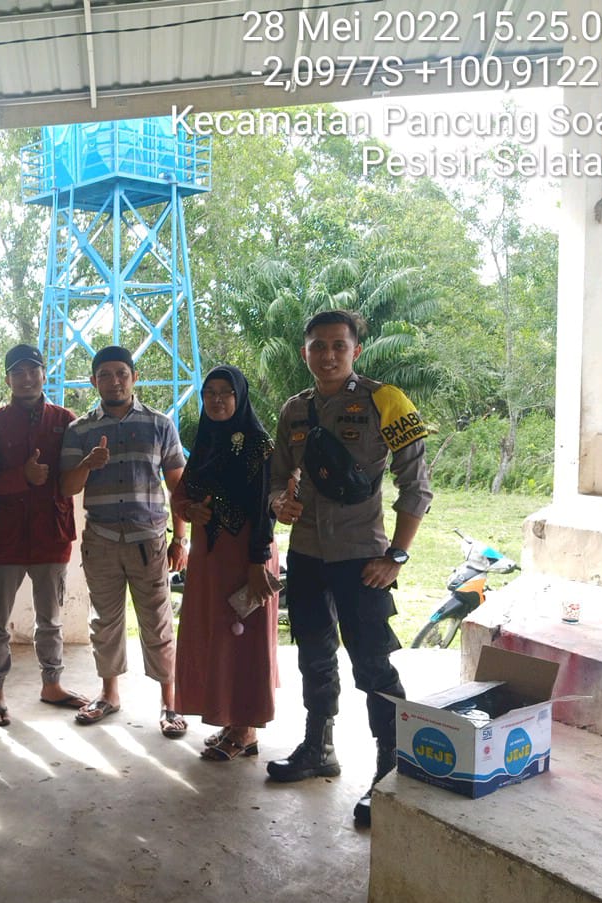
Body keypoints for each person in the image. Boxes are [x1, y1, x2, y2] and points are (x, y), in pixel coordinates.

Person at [266, 309, 433, 827]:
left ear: (355, 350)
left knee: (373, 663)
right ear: (305, 353)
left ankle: (391, 768)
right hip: (308, 554)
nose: (329, 355)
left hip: (364, 557)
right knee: (314, 655)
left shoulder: (386, 399)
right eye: (319, 346)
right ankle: (319, 749)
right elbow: (276, 478)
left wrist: (396, 555)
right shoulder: (294, 411)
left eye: (339, 345)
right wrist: (279, 503)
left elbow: (417, 486)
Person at [60, 345, 189, 737]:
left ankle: (170, 703)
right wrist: (86, 465)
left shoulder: (159, 424)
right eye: (104, 374)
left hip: (148, 540)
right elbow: (66, 486)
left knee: (158, 622)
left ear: (133, 377)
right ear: (93, 380)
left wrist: (180, 539)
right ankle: (109, 694)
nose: (113, 381)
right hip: (100, 538)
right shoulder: (79, 429)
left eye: (121, 373)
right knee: (105, 622)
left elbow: (178, 486)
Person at [171, 365, 280, 761]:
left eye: (226, 393)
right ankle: (231, 721)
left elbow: (266, 508)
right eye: (210, 392)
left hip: (247, 556)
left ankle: (246, 728)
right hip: (211, 558)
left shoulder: (259, 445)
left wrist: (257, 562)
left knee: (243, 638)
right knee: (218, 636)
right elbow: (183, 492)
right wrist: (188, 511)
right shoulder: (206, 440)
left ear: (240, 397)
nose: (217, 400)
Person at [0, 344, 88, 726]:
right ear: (8, 378)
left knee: (50, 620)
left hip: (51, 536)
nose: (27, 378)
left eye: (33, 370)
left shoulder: (66, 420)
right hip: (6, 539)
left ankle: (52, 684)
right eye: (18, 372)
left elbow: (74, 474)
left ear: (44, 373)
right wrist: (20, 478)